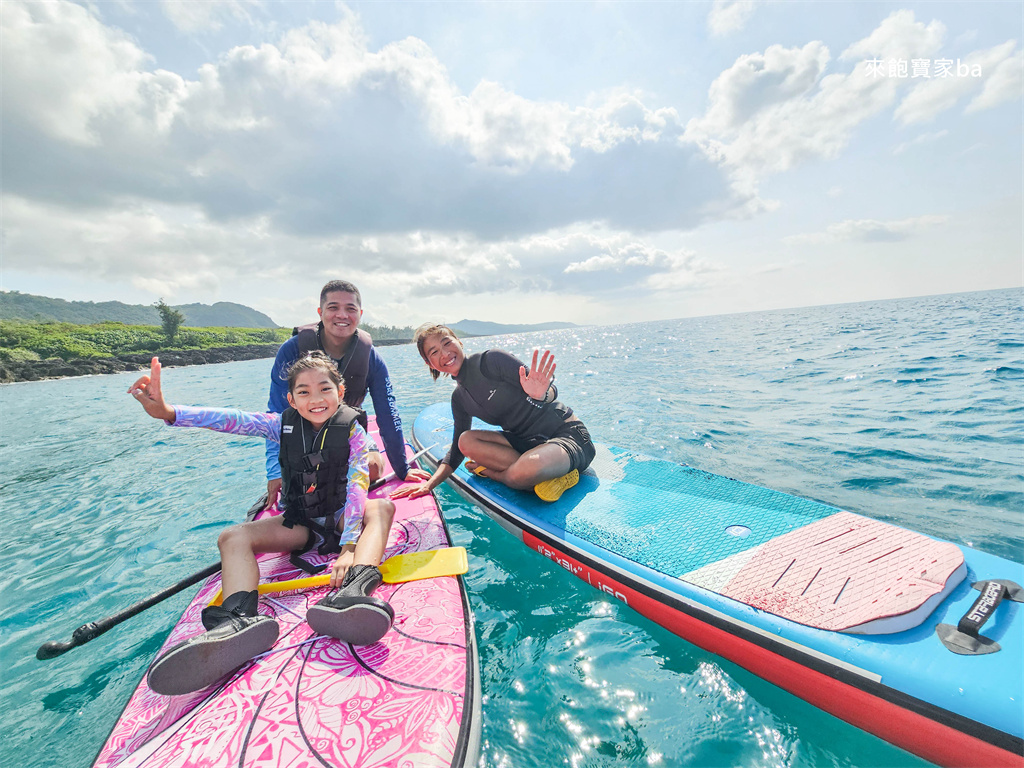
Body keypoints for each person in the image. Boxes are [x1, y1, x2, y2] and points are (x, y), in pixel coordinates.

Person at [129, 352, 398, 696]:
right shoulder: (278, 425)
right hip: (302, 524)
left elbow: (359, 483)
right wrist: (169, 413)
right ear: (291, 399)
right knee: (232, 537)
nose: (315, 399)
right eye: (303, 392)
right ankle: (239, 618)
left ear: (340, 391)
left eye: (324, 389)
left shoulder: (354, 432)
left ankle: (354, 591)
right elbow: (232, 419)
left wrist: (349, 547)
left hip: (345, 518)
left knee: (381, 508)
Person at [264, 279, 429, 509]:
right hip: (303, 441)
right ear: (321, 312)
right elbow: (275, 414)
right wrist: (275, 471)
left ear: (359, 314)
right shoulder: (292, 350)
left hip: (348, 433)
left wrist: (402, 469)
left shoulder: (371, 357)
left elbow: (388, 413)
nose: (342, 315)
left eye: (350, 309)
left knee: (371, 467)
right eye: (333, 308)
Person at [392, 324, 595, 504]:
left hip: (566, 435)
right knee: (465, 440)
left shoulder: (492, 361)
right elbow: (456, 451)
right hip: (525, 444)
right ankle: (541, 474)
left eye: (447, 343)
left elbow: (547, 390)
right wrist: (429, 485)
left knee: (521, 473)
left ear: (459, 342)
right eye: (434, 351)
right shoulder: (460, 398)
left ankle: (503, 474)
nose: (445, 353)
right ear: (430, 363)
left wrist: (541, 395)